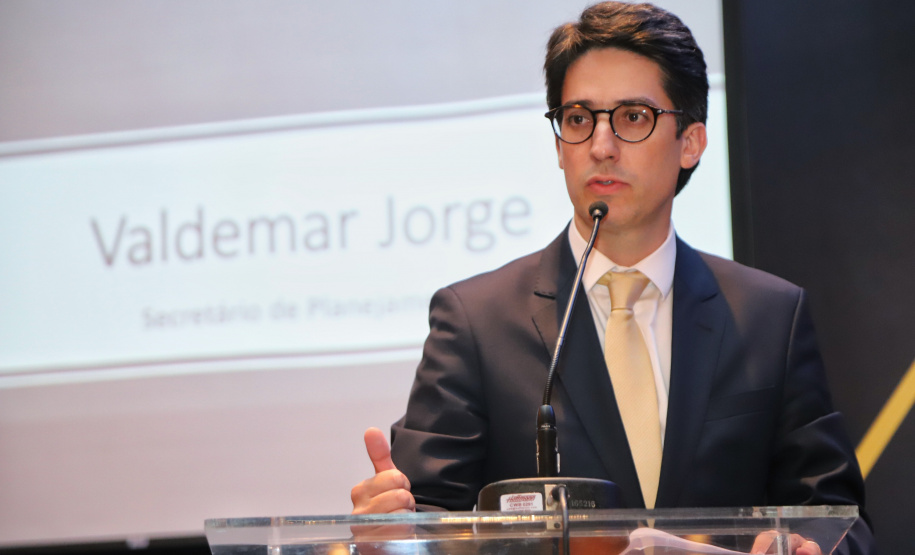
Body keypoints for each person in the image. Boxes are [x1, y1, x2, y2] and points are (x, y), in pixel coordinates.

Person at [351, 2, 876, 554]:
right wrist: (390, 534)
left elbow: (838, 517)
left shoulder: (770, 316)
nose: (600, 146)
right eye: (579, 119)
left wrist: (812, 549)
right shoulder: (476, 321)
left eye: (632, 117)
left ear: (691, 142)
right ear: (559, 146)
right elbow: (427, 520)